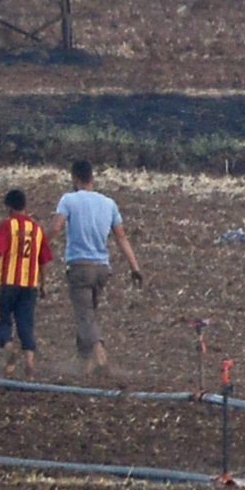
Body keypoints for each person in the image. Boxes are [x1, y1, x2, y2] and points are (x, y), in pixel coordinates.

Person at [52, 159, 149, 377]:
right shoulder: (109, 203)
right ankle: (85, 365)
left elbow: (56, 228)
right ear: (92, 178)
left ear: (74, 178)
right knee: (89, 314)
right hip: (102, 269)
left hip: (79, 266)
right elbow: (121, 237)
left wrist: (39, 246)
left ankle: (100, 355)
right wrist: (135, 267)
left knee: (84, 316)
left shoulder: (68, 200)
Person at [0, 186, 51, 374]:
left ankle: (9, 349)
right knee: (26, 322)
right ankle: (29, 362)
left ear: (9, 207)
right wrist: (43, 284)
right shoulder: (37, 229)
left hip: (7, 282)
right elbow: (43, 260)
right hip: (30, 285)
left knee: (2, 319)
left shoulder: (7, 225)